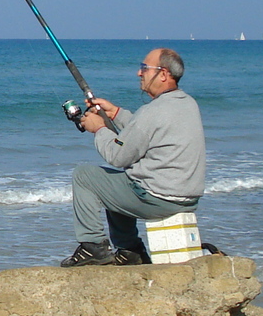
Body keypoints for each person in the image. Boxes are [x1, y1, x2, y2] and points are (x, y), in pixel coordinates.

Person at [62, 47, 205, 266]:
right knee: (118, 182)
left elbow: (118, 156)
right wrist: (116, 114)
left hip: (158, 199)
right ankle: (130, 252)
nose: (140, 73)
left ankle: (93, 247)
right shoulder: (186, 103)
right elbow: (147, 134)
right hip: (185, 200)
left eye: (144, 68)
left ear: (164, 74)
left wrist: (99, 129)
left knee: (85, 176)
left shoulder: (154, 111)